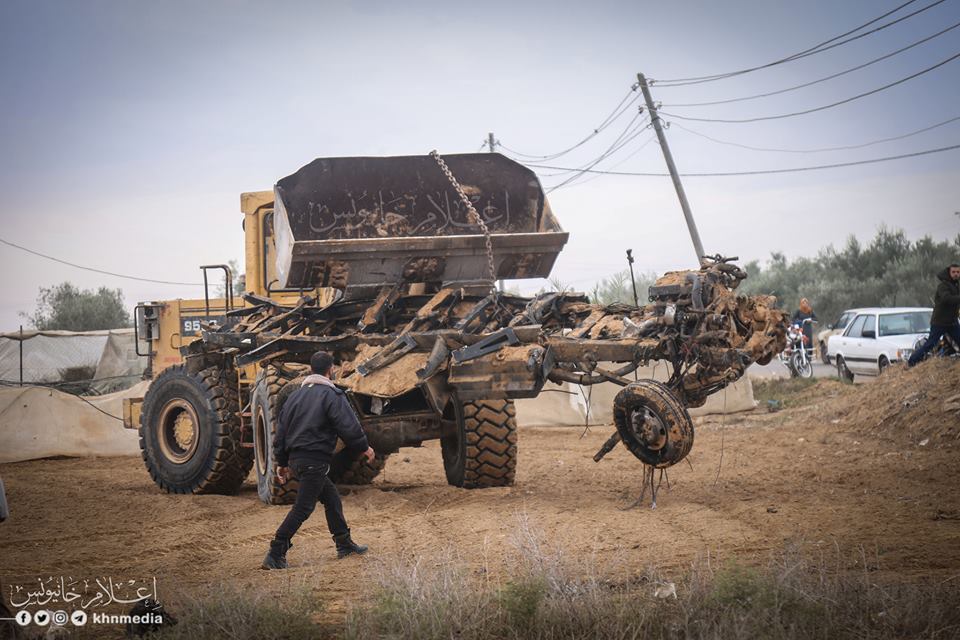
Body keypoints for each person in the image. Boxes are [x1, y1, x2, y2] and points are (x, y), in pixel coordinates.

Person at [262, 350, 376, 570]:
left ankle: (343, 543)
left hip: (297, 460)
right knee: (303, 508)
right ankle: (276, 551)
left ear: (310, 370)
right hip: (314, 459)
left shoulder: (294, 397)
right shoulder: (331, 395)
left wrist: (283, 463)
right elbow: (348, 426)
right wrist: (364, 447)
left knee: (331, 497)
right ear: (331, 370)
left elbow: (281, 434)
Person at [908, 263, 960, 367]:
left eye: (958, 272)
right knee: (930, 344)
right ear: (949, 273)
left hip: (952, 322)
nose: (956, 274)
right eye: (953, 272)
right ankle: (911, 361)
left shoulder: (956, 285)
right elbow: (946, 299)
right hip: (940, 322)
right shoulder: (943, 286)